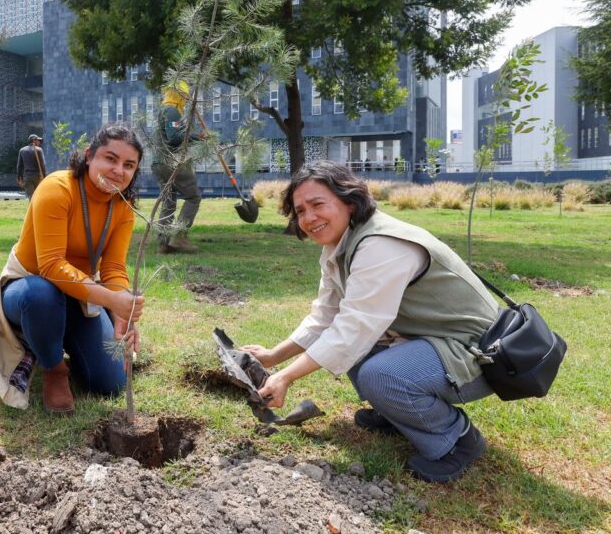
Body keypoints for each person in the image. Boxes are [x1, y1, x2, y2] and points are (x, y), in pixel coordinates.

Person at [241, 161, 500, 483]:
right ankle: (399, 414)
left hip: (478, 355)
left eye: (318, 204)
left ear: (349, 201)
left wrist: (285, 378)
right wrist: (272, 356)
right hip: (437, 343)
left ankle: (456, 440)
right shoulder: (341, 245)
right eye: (300, 211)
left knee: (378, 372)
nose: (309, 218)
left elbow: (354, 328)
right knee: (358, 354)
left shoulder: (381, 244)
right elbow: (327, 316)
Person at [0, 124, 146, 413]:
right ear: (89, 156)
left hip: (78, 294)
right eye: (110, 159)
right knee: (42, 295)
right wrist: (111, 299)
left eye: (129, 165)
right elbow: (50, 265)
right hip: (29, 287)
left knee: (110, 383)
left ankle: (58, 337)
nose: (118, 170)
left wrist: (121, 311)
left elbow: (112, 266)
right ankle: (53, 369)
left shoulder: (123, 208)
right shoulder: (57, 188)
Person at [151, 81, 204, 254]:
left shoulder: (162, 110)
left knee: (169, 201)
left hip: (158, 163)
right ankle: (179, 237)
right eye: (185, 96)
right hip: (170, 162)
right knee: (193, 196)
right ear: (179, 95)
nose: (186, 100)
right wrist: (198, 137)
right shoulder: (172, 111)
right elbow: (174, 138)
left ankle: (163, 243)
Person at [16, 134, 47, 199]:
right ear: (34, 141)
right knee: (38, 196)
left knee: (31, 197)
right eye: (38, 140)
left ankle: (31, 208)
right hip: (37, 177)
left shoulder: (22, 150)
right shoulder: (39, 150)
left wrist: (19, 177)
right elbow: (43, 165)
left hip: (27, 177)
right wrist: (45, 176)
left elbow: (19, 166)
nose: (39, 142)